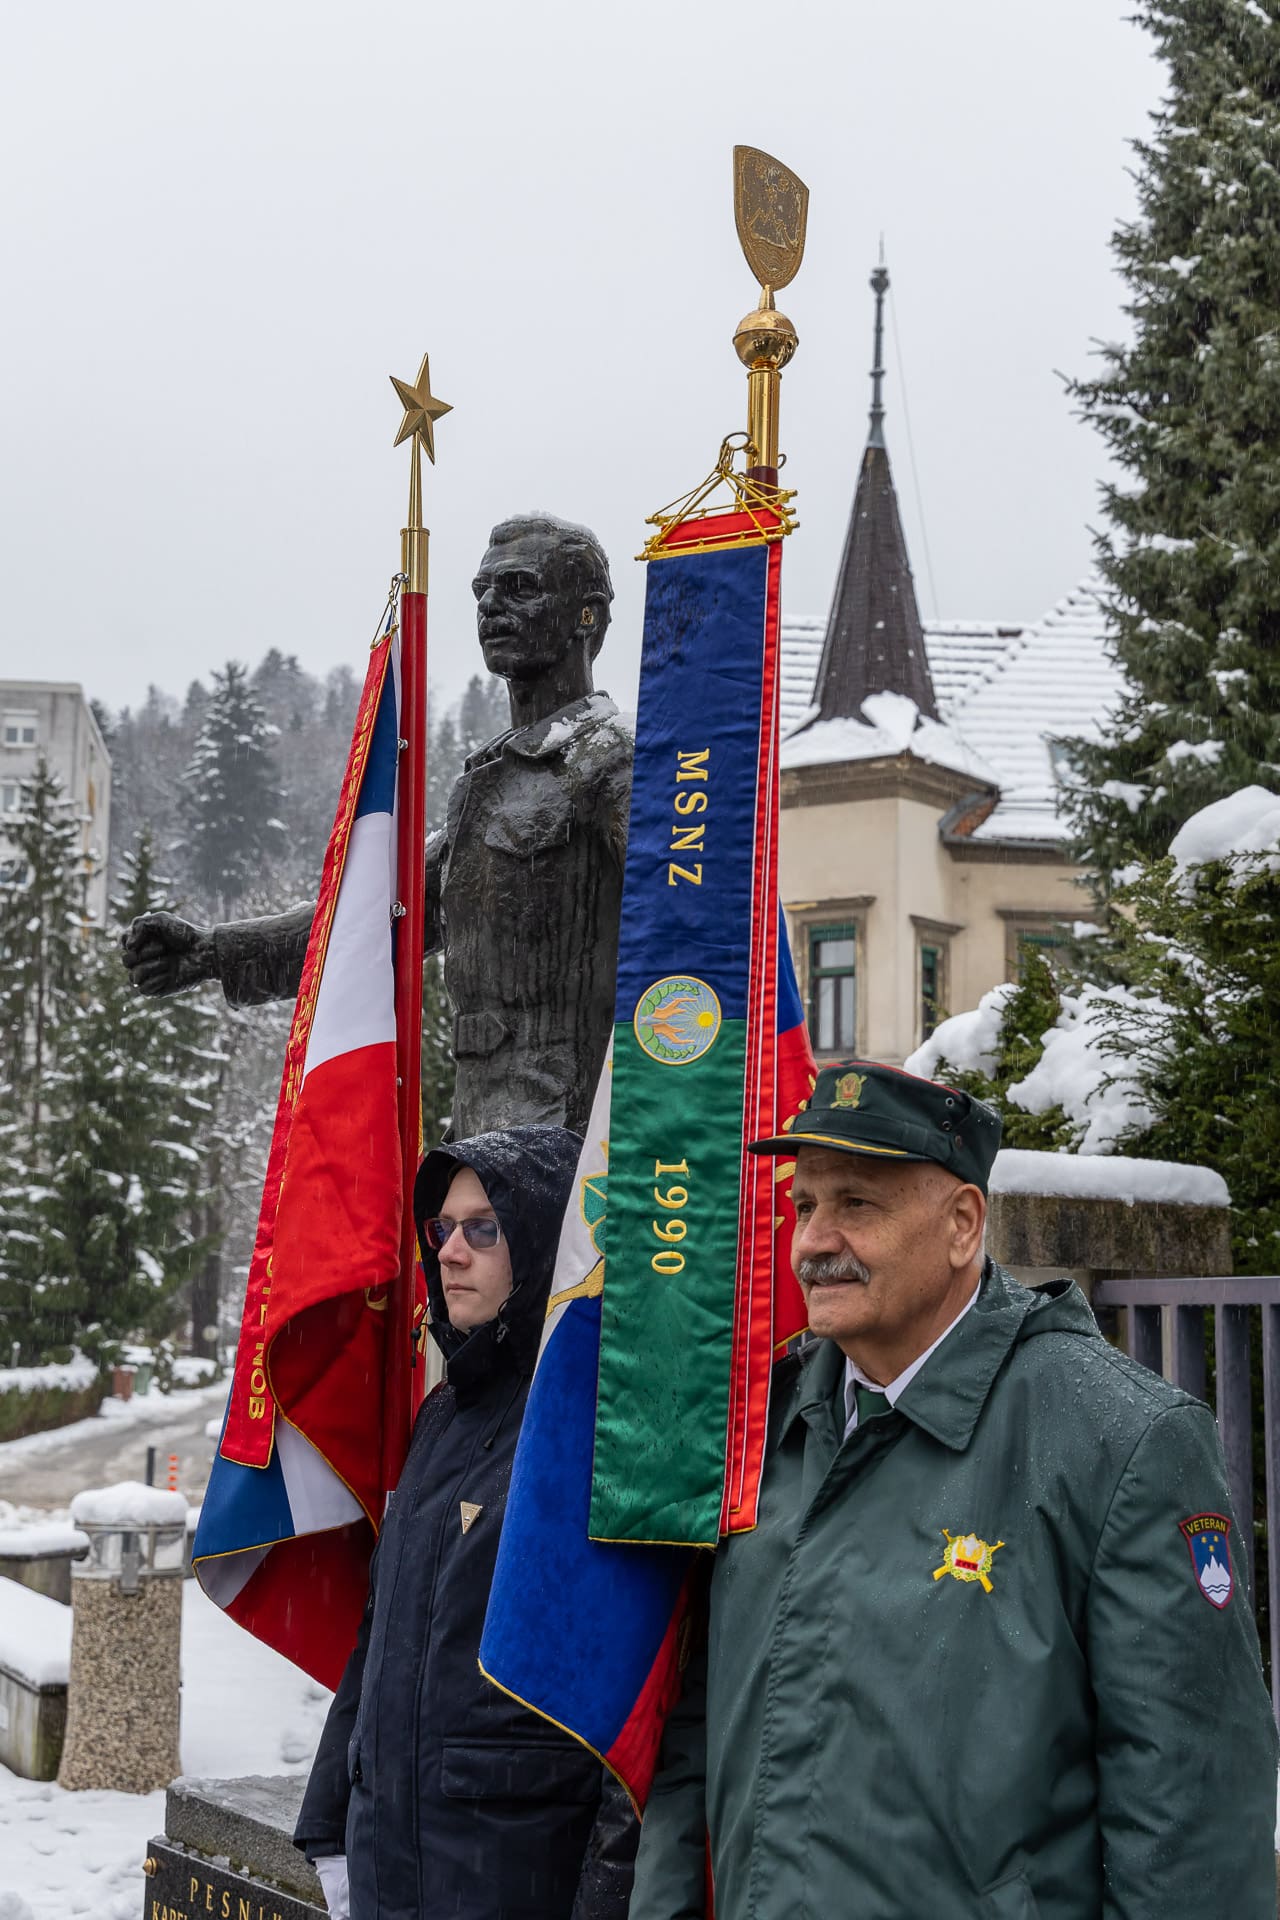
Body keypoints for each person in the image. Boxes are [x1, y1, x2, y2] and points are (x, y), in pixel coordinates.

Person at [628, 1060, 1279, 1918]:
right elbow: (692, 1739)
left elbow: (1193, 1823)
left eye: (856, 1203)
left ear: (963, 1224)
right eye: (805, 1205)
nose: (814, 1241)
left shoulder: (1122, 1440)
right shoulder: (760, 1427)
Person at [121, 513, 632, 1137]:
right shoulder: (486, 784)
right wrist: (211, 952)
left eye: (520, 586)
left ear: (587, 615)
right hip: (476, 1139)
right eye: (482, 590)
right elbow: (371, 923)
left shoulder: (615, 762)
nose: (490, 606)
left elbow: (689, 937)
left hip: (576, 1141)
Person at [295, 1125, 636, 1920]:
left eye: (483, 1229)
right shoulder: (444, 1412)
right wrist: (329, 1827)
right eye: (442, 1228)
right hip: (391, 1865)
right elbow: (380, 1636)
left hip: (511, 1875)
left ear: (545, 1241)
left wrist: (609, 1898)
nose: (449, 1252)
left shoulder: (593, 1425)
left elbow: (637, 1709)